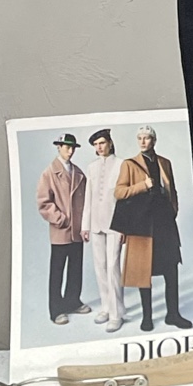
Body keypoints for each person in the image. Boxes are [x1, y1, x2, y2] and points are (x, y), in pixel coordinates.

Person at [112, 126, 191, 332]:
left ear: (154, 141)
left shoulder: (165, 162)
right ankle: (147, 317)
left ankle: (173, 314)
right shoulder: (129, 164)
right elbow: (119, 192)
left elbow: (172, 190)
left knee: (171, 268)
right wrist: (143, 185)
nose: (142, 142)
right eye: (139, 138)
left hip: (164, 223)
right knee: (143, 270)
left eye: (146, 138)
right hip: (141, 224)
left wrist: (173, 210)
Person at [36, 133, 89, 324]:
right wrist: (60, 219)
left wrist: (85, 224)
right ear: (58, 147)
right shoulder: (49, 173)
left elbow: (86, 202)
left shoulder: (79, 173)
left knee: (76, 268)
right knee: (57, 271)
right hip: (61, 230)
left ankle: (72, 301)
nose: (70, 150)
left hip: (77, 231)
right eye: (67, 147)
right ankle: (56, 310)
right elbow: (43, 202)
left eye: (73, 147)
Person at [81, 128, 125, 331]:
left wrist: (124, 226)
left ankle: (116, 314)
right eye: (96, 144)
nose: (99, 147)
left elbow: (125, 200)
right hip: (96, 223)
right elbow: (88, 198)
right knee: (100, 266)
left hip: (115, 224)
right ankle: (106, 308)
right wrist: (85, 226)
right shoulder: (92, 167)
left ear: (110, 143)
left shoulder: (122, 164)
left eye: (102, 143)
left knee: (113, 266)